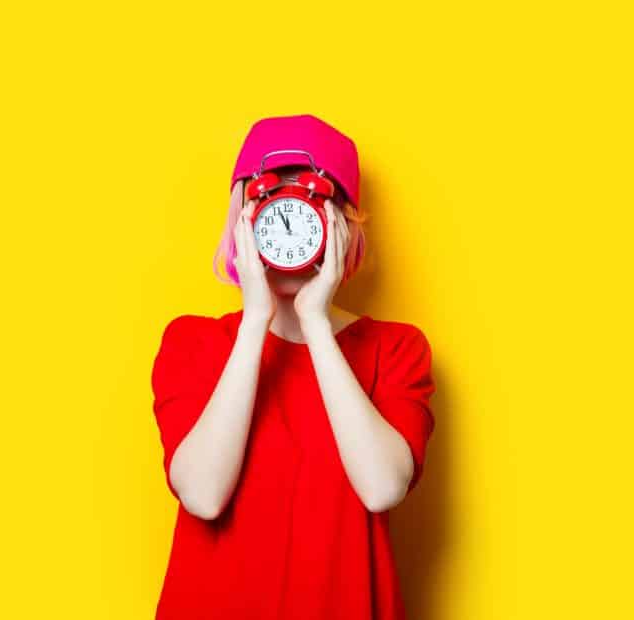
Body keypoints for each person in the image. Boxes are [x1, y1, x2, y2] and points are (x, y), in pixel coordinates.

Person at [149, 114, 436, 619]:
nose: (286, 227)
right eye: (266, 203)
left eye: (309, 206)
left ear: (345, 226)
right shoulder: (191, 343)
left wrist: (316, 322)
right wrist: (256, 318)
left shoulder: (396, 349)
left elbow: (383, 487)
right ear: (241, 219)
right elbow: (203, 494)